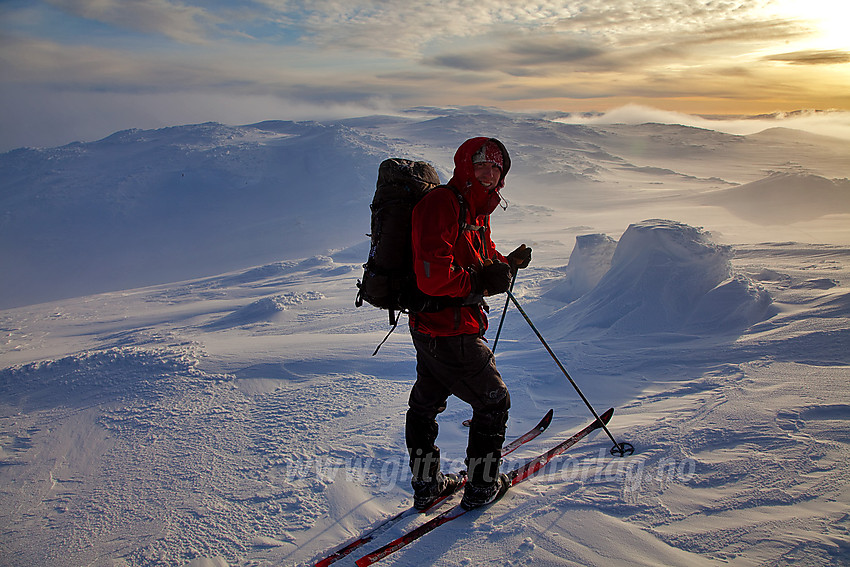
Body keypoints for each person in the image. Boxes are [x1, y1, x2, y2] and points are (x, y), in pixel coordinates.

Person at [406, 137, 532, 511]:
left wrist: (506, 263)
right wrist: (479, 283)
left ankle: (427, 485)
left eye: (497, 167)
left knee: (425, 404)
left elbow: (480, 258)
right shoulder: (441, 205)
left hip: (434, 327)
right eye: (482, 164)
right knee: (494, 400)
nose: (490, 173)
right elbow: (433, 277)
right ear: (465, 164)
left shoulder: (475, 210)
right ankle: (481, 486)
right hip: (449, 330)